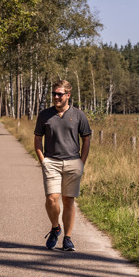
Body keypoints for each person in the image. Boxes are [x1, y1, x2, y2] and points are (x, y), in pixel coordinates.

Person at [34, 80, 92, 251]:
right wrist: (42, 160)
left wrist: (82, 162)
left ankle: (67, 238)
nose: (56, 97)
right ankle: (55, 227)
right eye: (54, 94)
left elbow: (86, 138)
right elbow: (38, 139)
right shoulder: (45, 115)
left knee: (68, 201)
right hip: (51, 161)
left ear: (68, 95)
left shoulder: (79, 115)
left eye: (60, 94)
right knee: (51, 198)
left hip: (73, 162)